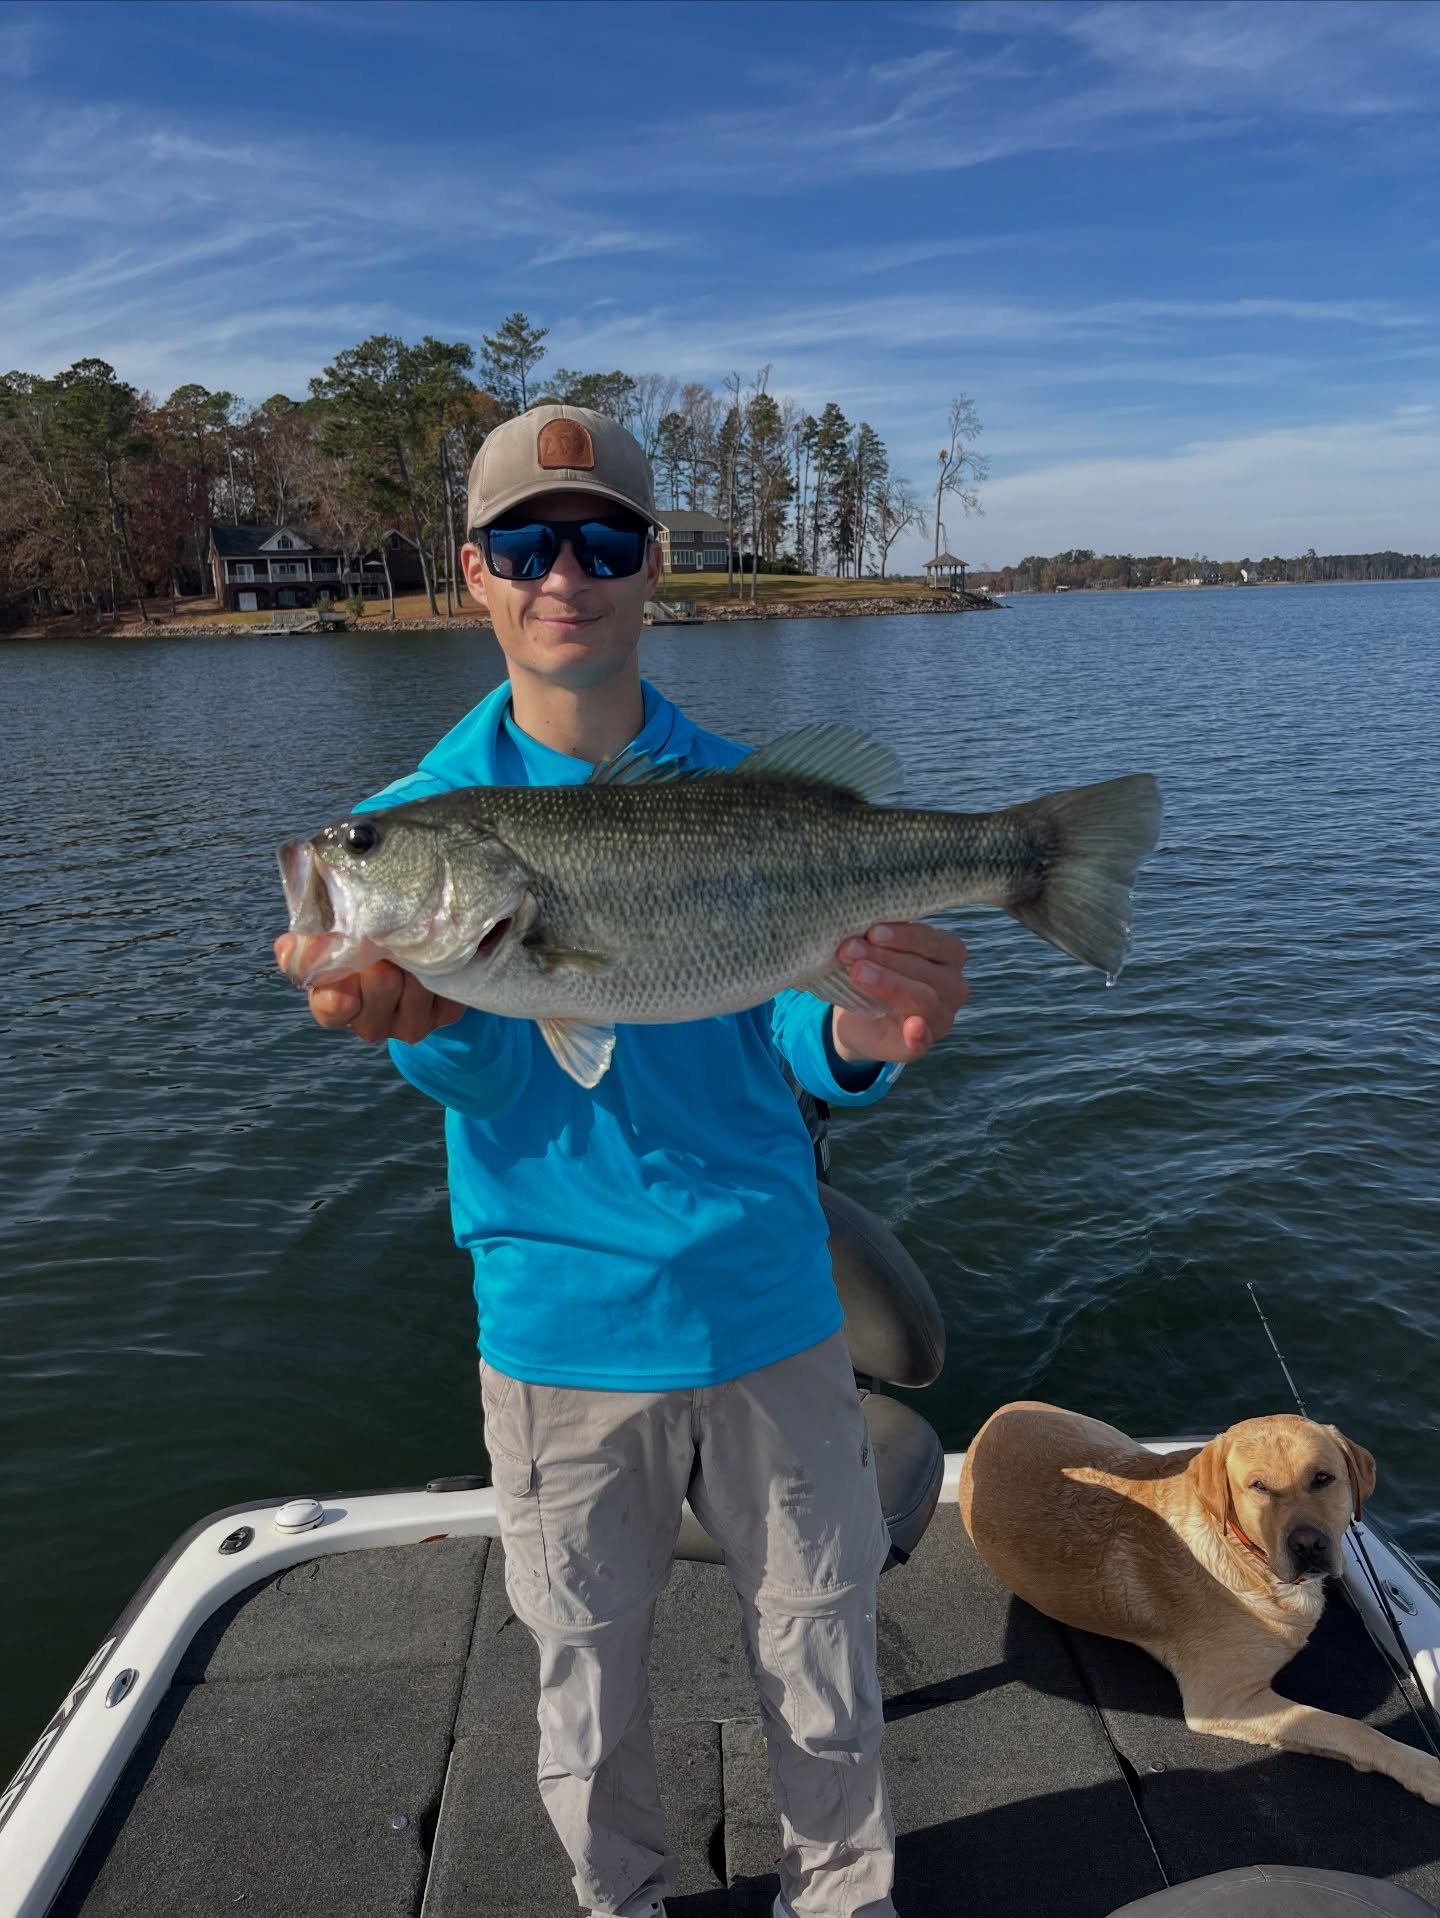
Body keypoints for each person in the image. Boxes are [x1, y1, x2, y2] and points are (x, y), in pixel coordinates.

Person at [275, 405, 969, 1918]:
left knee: (822, 1646)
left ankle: (843, 1901)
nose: (561, 574)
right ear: (473, 571)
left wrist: (863, 1026)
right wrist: (424, 1013)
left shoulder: (747, 790)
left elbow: (796, 1039)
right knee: (586, 1693)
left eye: (600, 540)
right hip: (560, 1330)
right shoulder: (417, 818)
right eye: (525, 542)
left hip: (774, 1305)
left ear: (652, 567)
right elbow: (480, 1069)